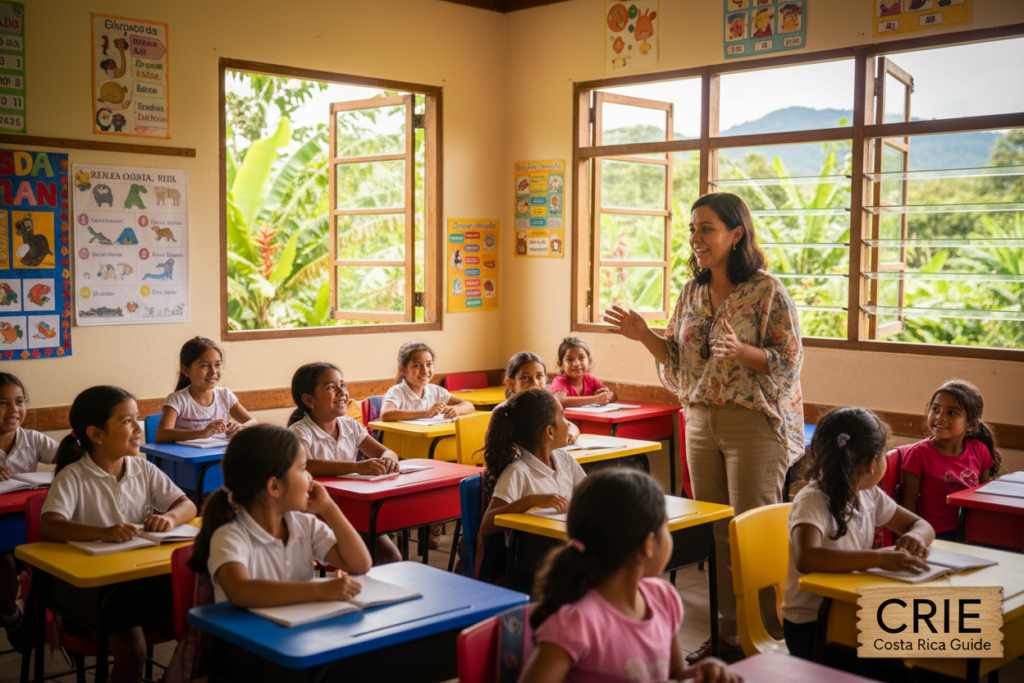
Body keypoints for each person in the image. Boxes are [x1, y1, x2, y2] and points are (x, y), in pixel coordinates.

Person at [605, 192, 803, 662]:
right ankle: (729, 635)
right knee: (717, 531)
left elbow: (788, 362)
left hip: (753, 423)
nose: (696, 237)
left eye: (707, 228)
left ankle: (768, 639)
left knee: (753, 531)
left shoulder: (767, 290)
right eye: (693, 228)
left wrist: (744, 353)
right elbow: (676, 361)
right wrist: (644, 336)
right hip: (698, 419)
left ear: (736, 234)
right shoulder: (691, 292)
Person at [518, 468, 739, 683]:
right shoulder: (576, 623)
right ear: (647, 545)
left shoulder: (663, 598)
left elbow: (674, 673)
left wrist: (701, 671)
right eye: (665, 526)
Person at [42, 386, 197, 683]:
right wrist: (104, 533)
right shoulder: (73, 476)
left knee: (199, 627)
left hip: (139, 579)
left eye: (137, 418)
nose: (139, 428)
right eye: (127, 422)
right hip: (97, 592)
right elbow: (50, 525)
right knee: (133, 651)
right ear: (96, 434)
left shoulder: (143, 468)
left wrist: (169, 518)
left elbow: (186, 504)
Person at [783, 406, 934, 676]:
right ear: (872, 463)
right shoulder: (813, 499)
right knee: (912, 664)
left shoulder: (869, 495)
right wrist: (880, 558)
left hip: (850, 612)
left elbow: (920, 525)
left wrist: (914, 536)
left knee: (934, 647)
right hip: (813, 625)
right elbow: (807, 558)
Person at [188, 424, 372, 606]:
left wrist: (329, 508)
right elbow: (240, 591)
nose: (310, 477)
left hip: (295, 631)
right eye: (302, 469)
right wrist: (319, 590)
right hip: (249, 634)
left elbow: (359, 565)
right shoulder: (230, 535)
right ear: (274, 487)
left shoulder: (304, 525)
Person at [287, 362, 402, 563]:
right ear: (308, 399)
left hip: (352, 510)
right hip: (314, 513)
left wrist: (388, 460)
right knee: (355, 558)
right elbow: (308, 466)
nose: (342, 392)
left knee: (390, 557)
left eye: (343, 385)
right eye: (331, 387)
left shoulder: (350, 425)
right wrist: (357, 467)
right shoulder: (299, 432)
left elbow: (385, 451)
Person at [901, 380, 1000, 541]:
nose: (940, 417)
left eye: (952, 412)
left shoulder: (979, 450)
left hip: (972, 530)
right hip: (937, 534)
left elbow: (982, 499)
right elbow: (909, 506)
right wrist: (915, 537)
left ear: (972, 424)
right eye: (935, 409)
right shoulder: (918, 454)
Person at [0, 373, 58, 650]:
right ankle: (11, 616)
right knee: (4, 562)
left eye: (19, 401)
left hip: (27, 521)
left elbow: (71, 459)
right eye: (2, 403)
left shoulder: (32, 439)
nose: (13, 410)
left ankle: (45, 614)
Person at [481, 388, 585, 536]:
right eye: (562, 416)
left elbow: (589, 492)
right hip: (530, 553)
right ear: (549, 432)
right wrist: (530, 501)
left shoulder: (564, 458)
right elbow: (487, 524)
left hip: (562, 543)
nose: (568, 424)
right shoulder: (518, 472)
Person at [156, 336, 257, 442]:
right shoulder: (177, 399)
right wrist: (203, 433)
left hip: (220, 455)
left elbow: (253, 422)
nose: (213, 371)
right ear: (186, 371)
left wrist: (242, 428)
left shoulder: (224, 395)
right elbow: (162, 434)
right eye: (204, 366)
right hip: (190, 456)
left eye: (217, 364)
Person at [379, 341, 473, 421]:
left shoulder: (436, 391)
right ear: (403, 370)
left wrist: (456, 409)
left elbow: (469, 406)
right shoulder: (397, 392)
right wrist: (425, 413)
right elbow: (386, 414)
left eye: (429, 364)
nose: (425, 371)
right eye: (417, 366)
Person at [503, 351, 579, 443]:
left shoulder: (546, 407)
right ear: (511, 384)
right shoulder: (507, 413)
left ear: (546, 379)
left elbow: (571, 426)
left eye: (539, 376)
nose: (535, 383)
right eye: (525, 378)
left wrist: (570, 434)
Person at [548, 337, 617, 408]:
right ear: (561, 364)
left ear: (589, 361)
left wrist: (606, 396)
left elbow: (612, 397)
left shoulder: (591, 379)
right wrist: (595, 399)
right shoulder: (560, 381)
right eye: (569, 359)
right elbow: (560, 401)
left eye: (581, 358)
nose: (576, 363)